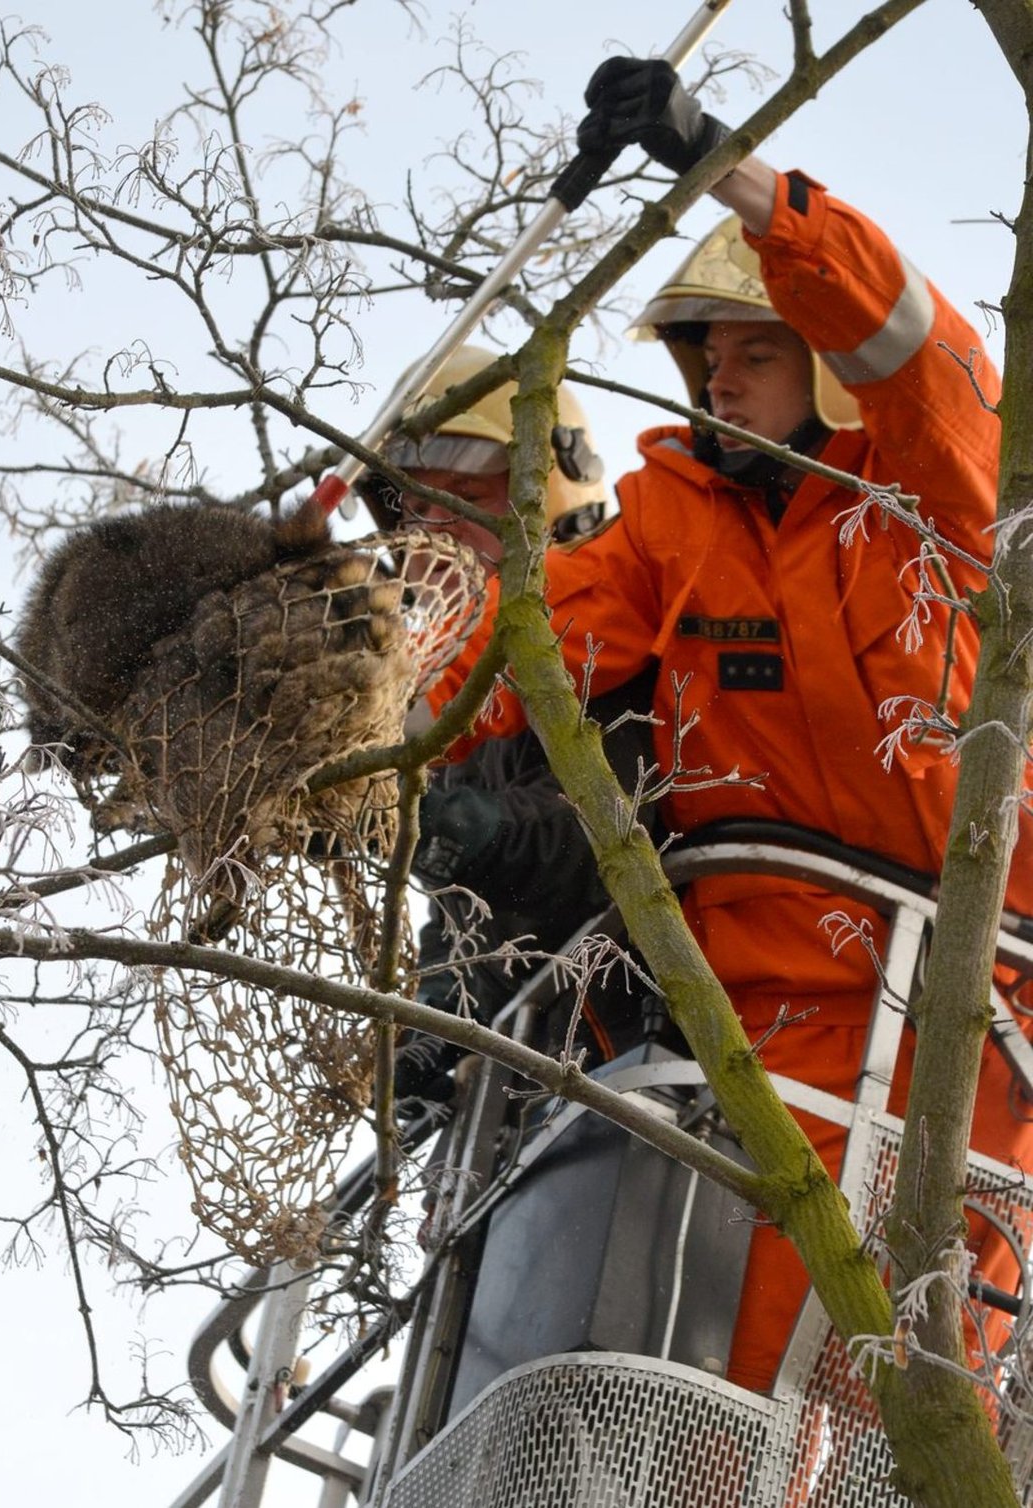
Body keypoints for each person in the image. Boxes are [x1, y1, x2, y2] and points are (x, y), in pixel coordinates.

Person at [415, 57, 1033, 1392]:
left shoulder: (931, 490)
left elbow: (910, 338)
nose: (724, 383)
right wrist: (364, 736)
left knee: (922, 1373)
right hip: (768, 1006)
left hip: (979, 997)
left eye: (759, 355)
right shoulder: (665, 533)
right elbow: (516, 647)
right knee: (739, 1373)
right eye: (711, 360)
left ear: (824, 373)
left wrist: (725, 170)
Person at [357, 346, 657, 1106]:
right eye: (415, 509)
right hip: (529, 1099)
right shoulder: (448, 703)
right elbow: (463, 922)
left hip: (651, 1056)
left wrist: (478, 828)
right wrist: (432, 1033)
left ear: (541, 496)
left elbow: (619, 834)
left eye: (460, 500)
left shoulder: (604, 630)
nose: (430, 534)